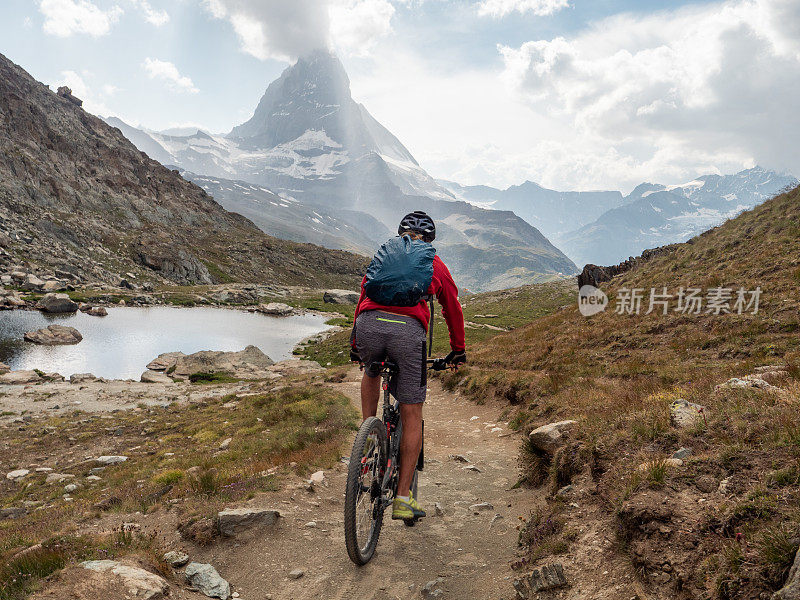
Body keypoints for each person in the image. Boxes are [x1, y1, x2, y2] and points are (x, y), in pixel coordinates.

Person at [350, 210, 466, 521]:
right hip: (407, 334)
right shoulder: (434, 263)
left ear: (401, 234)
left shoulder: (384, 255)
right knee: (412, 411)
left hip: (368, 327)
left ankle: (368, 434)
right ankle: (403, 498)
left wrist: (355, 346)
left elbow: (363, 295)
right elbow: (452, 307)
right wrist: (458, 350)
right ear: (430, 240)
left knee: (371, 371)